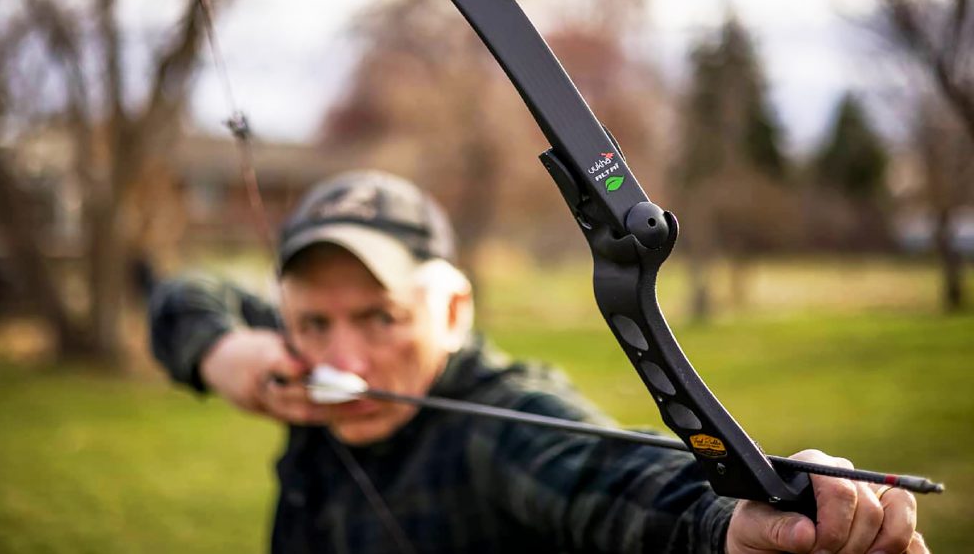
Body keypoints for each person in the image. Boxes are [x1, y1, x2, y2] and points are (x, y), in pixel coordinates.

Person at [149, 170, 927, 554]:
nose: (345, 362)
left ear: (453, 310)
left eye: (382, 316)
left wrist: (736, 520)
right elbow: (183, 296)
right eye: (312, 322)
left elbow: (605, 475)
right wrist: (222, 348)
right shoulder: (303, 365)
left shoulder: (502, 422)